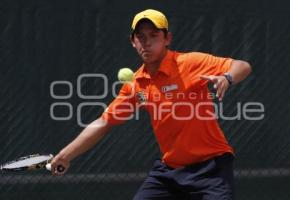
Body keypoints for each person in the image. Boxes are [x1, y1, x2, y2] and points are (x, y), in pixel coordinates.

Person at [51, 9, 252, 200]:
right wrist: (66, 155)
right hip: (169, 173)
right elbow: (104, 122)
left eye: (154, 36)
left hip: (211, 168)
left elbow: (242, 66)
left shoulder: (189, 63)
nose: (146, 43)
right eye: (141, 37)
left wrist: (227, 77)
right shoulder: (136, 84)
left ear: (167, 39)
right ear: (133, 41)